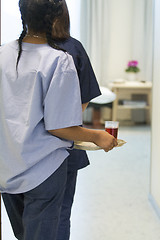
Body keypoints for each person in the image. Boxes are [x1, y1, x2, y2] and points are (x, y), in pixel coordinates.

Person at [0, 0, 117, 240]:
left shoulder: (2, 53)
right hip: (44, 170)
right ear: (55, 16)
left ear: (23, 14)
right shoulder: (58, 60)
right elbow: (60, 126)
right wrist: (98, 136)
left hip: (8, 167)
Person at [51, 1, 103, 239]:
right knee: (61, 213)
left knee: (30, 217)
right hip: (66, 144)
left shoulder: (17, 51)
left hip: (24, 148)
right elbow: (81, 104)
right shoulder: (73, 49)